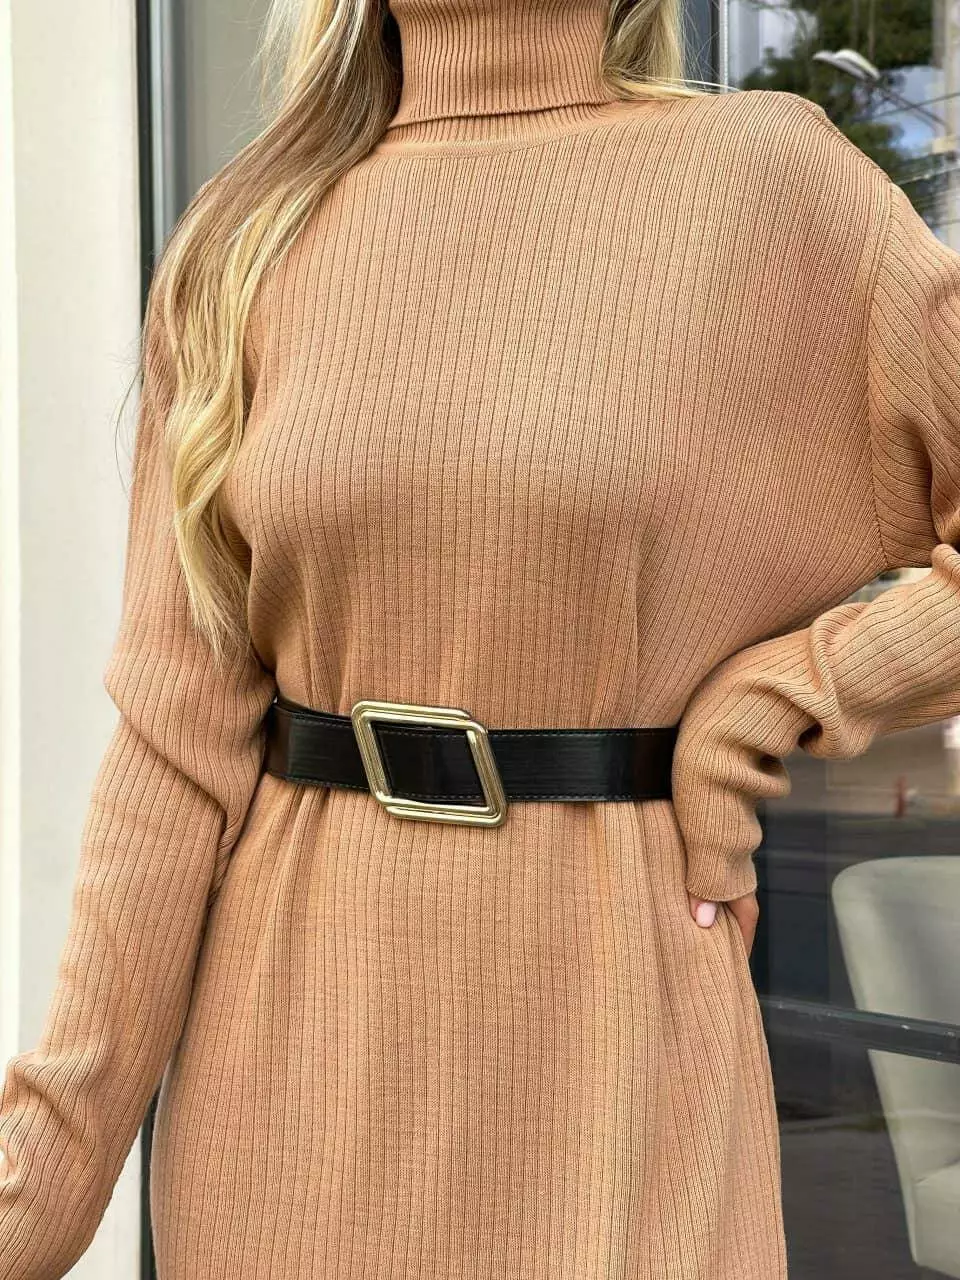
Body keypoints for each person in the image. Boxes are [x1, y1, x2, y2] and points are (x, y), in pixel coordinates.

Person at [2, 0, 959, 1276]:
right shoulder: (250, 231)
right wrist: (40, 1180)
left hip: (613, 1038)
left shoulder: (770, 186)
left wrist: (783, 695)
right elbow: (174, 749)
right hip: (285, 1062)